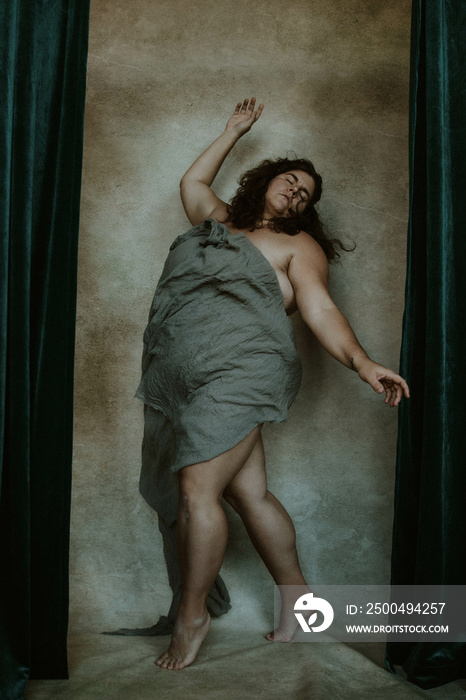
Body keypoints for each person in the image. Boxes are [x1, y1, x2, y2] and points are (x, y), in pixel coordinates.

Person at [135, 97, 410, 671]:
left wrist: (363, 363)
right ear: (263, 182)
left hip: (241, 371)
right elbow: (193, 180)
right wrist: (232, 130)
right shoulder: (214, 221)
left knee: (196, 491)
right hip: (180, 374)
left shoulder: (298, 248)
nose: (296, 193)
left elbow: (321, 311)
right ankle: (301, 608)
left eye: (306, 195)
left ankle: (191, 616)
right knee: (248, 493)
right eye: (290, 181)